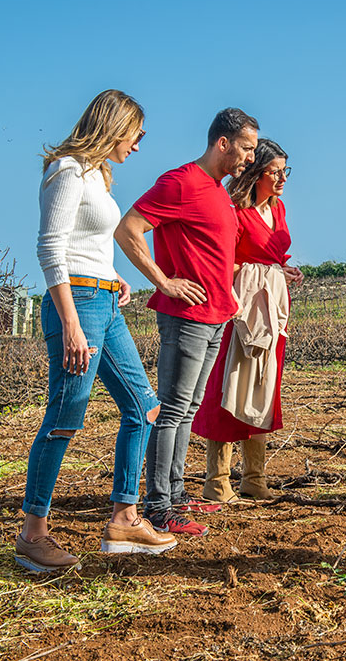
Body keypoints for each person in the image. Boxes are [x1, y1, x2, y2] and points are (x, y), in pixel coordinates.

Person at [17, 89, 177, 573]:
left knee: (144, 407)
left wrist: (115, 279)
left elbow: (88, 246)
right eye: (137, 133)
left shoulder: (97, 176)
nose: (138, 144)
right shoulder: (66, 170)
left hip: (103, 300)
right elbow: (50, 249)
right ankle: (32, 535)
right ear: (115, 124)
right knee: (65, 417)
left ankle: (125, 519)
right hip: (78, 307)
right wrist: (69, 322)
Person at [115, 108, 260, 537]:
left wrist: (229, 294)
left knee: (189, 409)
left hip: (217, 315)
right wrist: (164, 281)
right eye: (247, 148)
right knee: (173, 410)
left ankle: (176, 496)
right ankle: (158, 507)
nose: (250, 158)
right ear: (223, 143)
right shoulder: (180, 182)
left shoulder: (218, 190)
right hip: (187, 318)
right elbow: (129, 229)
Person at [193, 139, 303, 503]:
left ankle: (255, 477)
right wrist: (255, 275)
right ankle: (217, 478)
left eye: (286, 170)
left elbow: (269, 255)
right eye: (276, 171)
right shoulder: (235, 210)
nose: (283, 177)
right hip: (240, 308)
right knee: (229, 383)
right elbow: (223, 260)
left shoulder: (281, 209)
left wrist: (280, 271)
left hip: (271, 309)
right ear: (257, 174)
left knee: (264, 385)